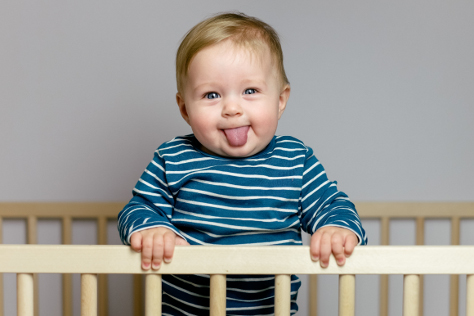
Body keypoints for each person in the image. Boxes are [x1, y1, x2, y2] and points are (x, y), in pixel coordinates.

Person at [118, 12, 367, 315]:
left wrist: (336, 227)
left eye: (250, 91)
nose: (232, 108)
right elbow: (138, 208)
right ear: (185, 109)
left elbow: (332, 204)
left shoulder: (295, 160)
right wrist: (153, 229)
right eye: (212, 94)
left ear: (280, 100)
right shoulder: (173, 157)